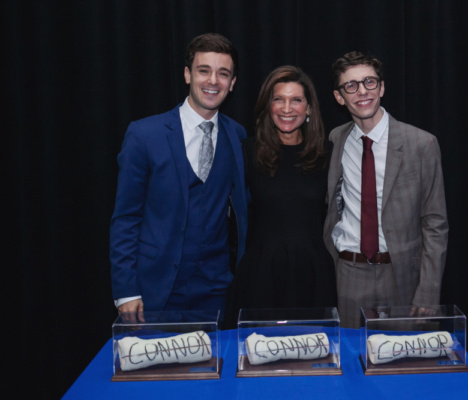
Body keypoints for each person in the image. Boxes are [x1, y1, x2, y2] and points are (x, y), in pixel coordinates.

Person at [110, 33, 247, 316]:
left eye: (223, 74)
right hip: (154, 291)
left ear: (232, 83)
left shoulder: (237, 135)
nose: (213, 81)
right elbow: (126, 218)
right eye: (203, 71)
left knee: (216, 362)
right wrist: (126, 290)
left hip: (216, 292)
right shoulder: (145, 134)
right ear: (187, 75)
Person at [323, 51, 448, 328]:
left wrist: (428, 290)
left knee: (403, 365)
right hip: (349, 273)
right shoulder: (334, 141)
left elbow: (435, 224)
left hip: (402, 277)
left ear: (381, 87)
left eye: (369, 82)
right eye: (351, 86)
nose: (362, 92)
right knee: (351, 363)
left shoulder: (421, 144)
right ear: (339, 97)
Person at [226, 66, 337, 326]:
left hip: (313, 275)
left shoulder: (327, 153)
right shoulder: (247, 151)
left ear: (308, 108)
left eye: (296, 100)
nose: (287, 108)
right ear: (268, 105)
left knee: (316, 359)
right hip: (260, 275)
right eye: (279, 99)